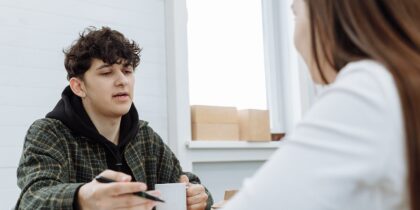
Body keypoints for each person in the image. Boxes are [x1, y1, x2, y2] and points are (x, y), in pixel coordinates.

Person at [222, 0, 419, 210]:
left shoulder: (369, 89)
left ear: (330, 13)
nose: (295, 40)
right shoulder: (401, 82)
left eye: (295, 15)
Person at [16, 26, 213, 210]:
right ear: (79, 86)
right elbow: (33, 198)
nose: (122, 81)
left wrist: (197, 195)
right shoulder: (50, 133)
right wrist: (81, 197)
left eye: (127, 71)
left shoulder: (146, 137)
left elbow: (185, 180)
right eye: (107, 73)